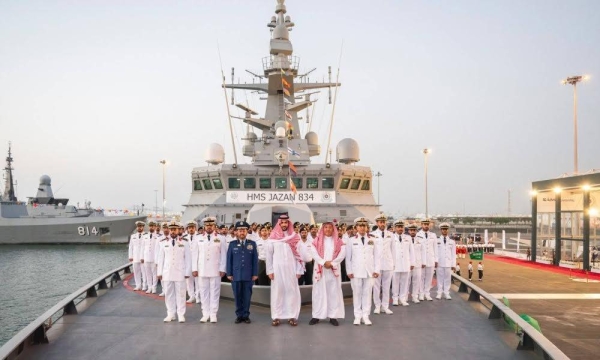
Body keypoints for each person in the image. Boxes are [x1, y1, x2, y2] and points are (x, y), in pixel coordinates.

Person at [266, 215, 310, 327]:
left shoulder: (295, 237)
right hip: (277, 269)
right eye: (282, 223)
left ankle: (292, 316)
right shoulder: (272, 238)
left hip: (292, 268)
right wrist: (270, 270)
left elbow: (299, 255)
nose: (284, 224)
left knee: (292, 292)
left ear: (289, 224)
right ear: (279, 224)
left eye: (286, 223)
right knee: (277, 292)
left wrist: (299, 270)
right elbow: (269, 256)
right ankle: (276, 316)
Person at [309, 222, 346, 326]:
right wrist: (323, 262)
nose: (328, 229)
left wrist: (332, 263)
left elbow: (342, 254)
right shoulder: (316, 241)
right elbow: (313, 253)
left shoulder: (339, 241)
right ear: (322, 229)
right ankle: (316, 315)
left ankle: (333, 316)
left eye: (330, 227)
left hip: (333, 269)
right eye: (325, 227)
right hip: (320, 269)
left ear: (333, 229)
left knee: (333, 293)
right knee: (318, 293)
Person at [346, 217, 381, 326]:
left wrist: (376, 269)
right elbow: (348, 257)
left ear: (367, 227)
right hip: (356, 271)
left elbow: (377, 256)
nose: (362, 228)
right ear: (356, 227)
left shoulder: (373, 239)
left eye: (364, 226)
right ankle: (357, 316)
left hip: (369, 271)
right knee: (357, 293)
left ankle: (366, 316)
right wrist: (349, 270)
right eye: (360, 226)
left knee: (367, 294)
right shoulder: (351, 240)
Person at [192, 216, 227, 323]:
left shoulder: (221, 238)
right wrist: (194, 268)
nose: (209, 227)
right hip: (202, 269)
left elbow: (223, 255)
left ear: (214, 226)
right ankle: (205, 313)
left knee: (215, 292)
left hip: (215, 269)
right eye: (207, 225)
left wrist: (222, 268)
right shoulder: (198, 238)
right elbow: (195, 255)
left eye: (211, 225)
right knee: (203, 292)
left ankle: (213, 314)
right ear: (204, 226)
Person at [157, 221, 192, 323]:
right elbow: (160, 259)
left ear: (178, 230)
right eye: (171, 229)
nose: (173, 231)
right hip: (167, 272)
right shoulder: (163, 242)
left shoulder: (184, 242)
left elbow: (188, 259)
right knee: (168, 294)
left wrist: (187, 272)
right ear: (169, 230)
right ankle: (170, 314)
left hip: (180, 272)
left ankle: (181, 314)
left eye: (174, 229)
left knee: (181, 294)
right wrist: (159, 272)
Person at [226, 221, 258, 324]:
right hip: (236, 275)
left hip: (248, 275)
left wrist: (255, 273)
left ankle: (246, 315)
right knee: (237, 296)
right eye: (240, 230)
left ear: (246, 231)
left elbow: (255, 260)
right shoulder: (232, 244)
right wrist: (229, 273)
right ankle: (239, 315)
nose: (242, 232)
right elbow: (229, 260)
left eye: (243, 230)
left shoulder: (252, 244)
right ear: (236, 232)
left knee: (247, 296)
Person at [371, 213, 394, 315]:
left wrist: (394, 264)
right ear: (377, 223)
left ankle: (385, 306)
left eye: (384, 222)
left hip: (388, 263)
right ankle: (377, 306)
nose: (382, 224)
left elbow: (393, 250)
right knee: (376, 287)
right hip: (377, 265)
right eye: (380, 222)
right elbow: (371, 251)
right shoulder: (372, 235)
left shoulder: (391, 235)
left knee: (386, 286)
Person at [391, 220, 414, 307]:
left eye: (401, 227)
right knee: (395, 282)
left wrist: (412, 262)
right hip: (395, 264)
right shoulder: (392, 237)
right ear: (395, 228)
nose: (400, 228)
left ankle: (402, 298)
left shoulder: (408, 238)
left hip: (405, 263)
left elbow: (411, 251)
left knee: (405, 282)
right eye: (398, 227)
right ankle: (395, 299)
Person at [417, 219, 437, 301]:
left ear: (429, 225)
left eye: (427, 224)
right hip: (421, 260)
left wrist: (436, 260)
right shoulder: (418, 235)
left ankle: (427, 293)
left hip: (431, 259)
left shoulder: (433, 235)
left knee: (429, 277)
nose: (426, 226)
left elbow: (435, 248)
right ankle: (421, 293)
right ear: (421, 225)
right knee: (421, 277)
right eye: (424, 224)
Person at [435, 223, 456, 300]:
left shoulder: (452, 242)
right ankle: (439, 293)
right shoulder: (437, 240)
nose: (444, 230)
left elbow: (453, 254)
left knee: (447, 278)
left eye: (446, 229)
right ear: (441, 230)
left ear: (448, 230)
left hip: (448, 263)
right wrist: (435, 261)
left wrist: (453, 264)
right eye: (443, 229)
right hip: (440, 262)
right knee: (439, 278)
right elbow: (435, 252)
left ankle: (447, 293)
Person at [407, 223, 425, 303]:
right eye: (411, 230)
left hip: (418, 263)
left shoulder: (420, 239)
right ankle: (404, 297)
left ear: (416, 231)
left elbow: (423, 252)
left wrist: (423, 262)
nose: (412, 232)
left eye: (414, 230)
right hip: (407, 263)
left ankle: (415, 296)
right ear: (408, 231)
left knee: (416, 280)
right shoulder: (405, 239)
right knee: (406, 281)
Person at [141, 220, 159, 294]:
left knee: (155, 274)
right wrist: (142, 257)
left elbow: (159, 249)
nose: (151, 227)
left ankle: (154, 287)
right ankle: (149, 287)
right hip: (146, 258)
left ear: (155, 227)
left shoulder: (158, 237)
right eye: (150, 226)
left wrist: (157, 259)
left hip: (154, 258)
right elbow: (142, 247)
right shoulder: (144, 236)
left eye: (153, 226)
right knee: (147, 273)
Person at [185, 221, 199, 304]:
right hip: (187, 262)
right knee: (189, 280)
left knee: (197, 281)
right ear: (187, 229)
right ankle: (191, 296)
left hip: (196, 261)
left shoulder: (199, 237)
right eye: (189, 228)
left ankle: (197, 296)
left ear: (195, 228)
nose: (191, 229)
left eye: (192, 227)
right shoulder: (184, 238)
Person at [129, 221, 146, 291]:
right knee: (136, 272)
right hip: (135, 257)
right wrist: (130, 256)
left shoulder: (146, 235)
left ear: (143, 227)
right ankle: (138, 285)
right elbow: (131, 247)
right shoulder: (133, 236)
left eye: (141, 226)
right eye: (138, 226)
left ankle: (145, 285)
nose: (139, 228)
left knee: (144, 272)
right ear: (137, 227)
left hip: (143, 257)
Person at [156, 222, 170, 297]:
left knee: (168, 276)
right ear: (162, 229)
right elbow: (156, 250)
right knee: (162, 276)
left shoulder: (172, 237)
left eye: (167, 228)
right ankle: (164, 290)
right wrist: (156, 261)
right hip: (161, 260)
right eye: (164, 228)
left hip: (169, 260)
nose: (166, 230)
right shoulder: (159, 238)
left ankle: (168, 290)